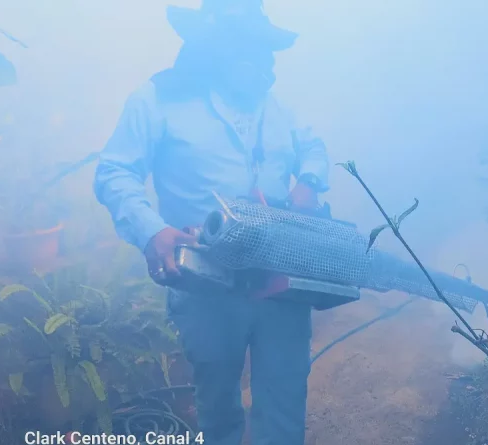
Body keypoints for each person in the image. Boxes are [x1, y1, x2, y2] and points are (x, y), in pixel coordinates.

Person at [93, 0, 329, 443]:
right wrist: (153, 232)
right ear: (206, 42)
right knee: (218, 408)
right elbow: (114, 172)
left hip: (281, 281)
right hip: (205, 282)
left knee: (284, 405)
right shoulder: (157, 98)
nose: (254, 55)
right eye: (240, 42)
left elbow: (314, 149)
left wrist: (310, 184)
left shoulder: (276, 107)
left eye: (259, 45)